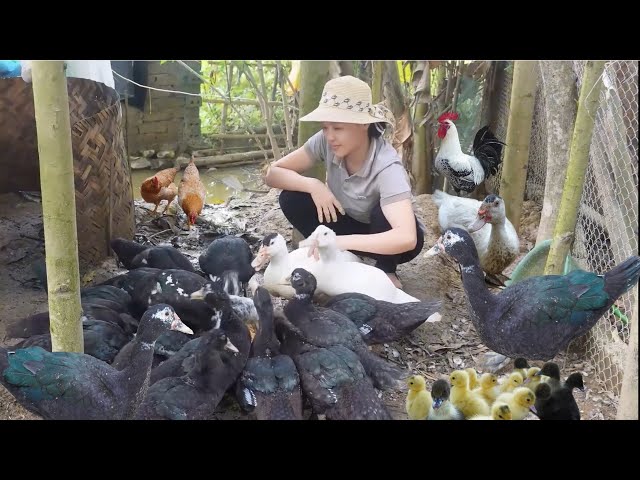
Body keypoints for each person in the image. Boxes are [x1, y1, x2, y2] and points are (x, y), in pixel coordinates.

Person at [264, 75, 424, 289]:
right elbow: (273, 174)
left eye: (337, 128)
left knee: (381, 212)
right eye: (325, 127)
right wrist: (314, 185)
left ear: (363, 125)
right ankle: (338, 257)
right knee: (291, 197)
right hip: (348, 221)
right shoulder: (326, 142)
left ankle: (386, 270)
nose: (330, 136)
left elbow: (406, 238)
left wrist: (339, 242)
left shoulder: (387, 167)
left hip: (387, 241)